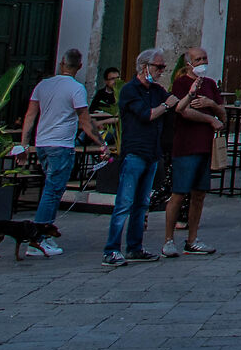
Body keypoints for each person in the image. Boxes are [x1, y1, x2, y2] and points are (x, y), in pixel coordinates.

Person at [18, 49, 105, 250]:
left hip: (43, 143)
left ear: (61, 64)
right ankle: (38, 238)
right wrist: (101, 143)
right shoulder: (76, 88)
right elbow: (85, 120)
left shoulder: (43, 85)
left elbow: (30, 115)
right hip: (61, 144)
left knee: (51, 187)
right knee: (53, 190)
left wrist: (24, 143)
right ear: (80, 66)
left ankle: (42, 233)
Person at [104, 49, 182, 266]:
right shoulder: (130, 90)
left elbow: (177, 105)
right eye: (158, 67)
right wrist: (166, 105)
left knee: (141, 203)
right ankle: (111, 250)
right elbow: (147, 115)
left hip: (152, 152)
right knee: (124, 203)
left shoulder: (156, 90)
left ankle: (134, 247)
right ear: (144, 66)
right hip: (135, 152)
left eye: (163, 67)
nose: (161, 71)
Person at [161, 47, 225, 257]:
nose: (202, 62)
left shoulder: (210, 84)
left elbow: (223, 114)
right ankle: (169, 240)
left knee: (199, 194)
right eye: (197, 59)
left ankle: (192, 239)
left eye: (204, 58)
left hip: (205, 146)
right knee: (179, 193)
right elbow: (182, 110)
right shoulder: (180, 84)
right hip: (186, 146)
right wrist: (208, 118)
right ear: (188, 63)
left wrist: (211, 104)